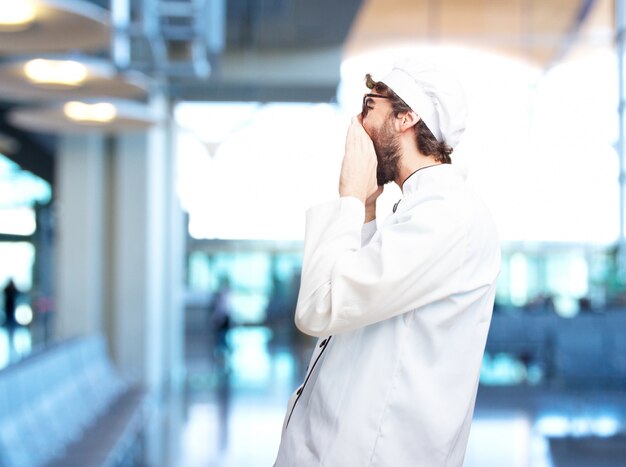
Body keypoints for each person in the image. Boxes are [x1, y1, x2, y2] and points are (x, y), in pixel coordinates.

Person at [274, 59, 501, 467]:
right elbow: (357, 301)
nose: (357, 124)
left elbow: (320, 308)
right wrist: (364, 207)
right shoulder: (419, 209)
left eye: (368, 106)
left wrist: (347, 195)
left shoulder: (447, 215)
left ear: (406, 117)